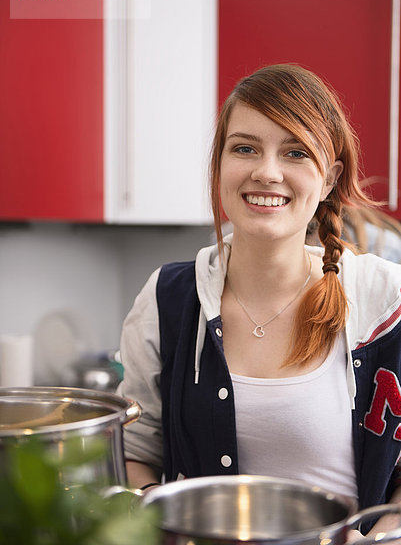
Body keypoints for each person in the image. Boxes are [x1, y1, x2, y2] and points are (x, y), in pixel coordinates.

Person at [117, 64, 401, 539]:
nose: (267, 172)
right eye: (245, 148)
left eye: (295, 152)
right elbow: (134, 452)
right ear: (220, 165)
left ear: (328, 180)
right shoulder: (167, 300)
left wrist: (378, 537)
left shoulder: (386, 302)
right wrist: (163, 519)